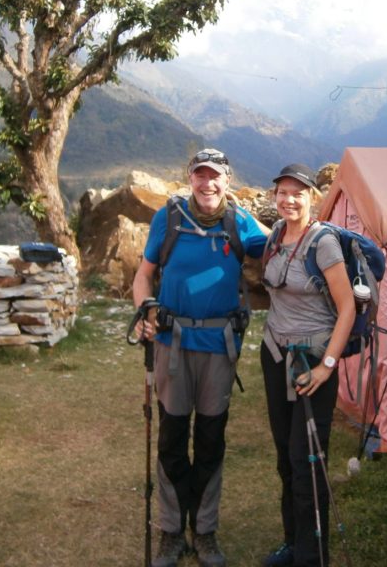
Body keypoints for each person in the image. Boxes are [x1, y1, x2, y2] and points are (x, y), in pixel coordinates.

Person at [133, 148, 267, 567]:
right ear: (189, 178)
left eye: (215, 177)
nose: (207, 184)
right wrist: (144, 309)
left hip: (218, 347)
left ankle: (204, 531)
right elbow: (143, 274)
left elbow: (280, 243)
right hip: (172, 344)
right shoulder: (168, 217)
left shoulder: (239, 221)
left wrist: (247, 211)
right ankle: (172, 532)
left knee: (211, 440)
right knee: (172, 438)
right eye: (200, 175)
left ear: (228, 180)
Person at [259, 163, 356, 567]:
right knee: (286, 456)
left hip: (312, 361)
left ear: (312, 198)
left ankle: (313, 556)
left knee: (308, 460)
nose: (289, 200)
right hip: (275, 354)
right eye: (282, 192)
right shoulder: (276, 237)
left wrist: (327, 366)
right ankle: (293, 542)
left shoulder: (324, 243)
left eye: (297, 193)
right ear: (274, 196)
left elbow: (347, 305)